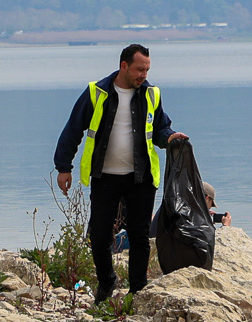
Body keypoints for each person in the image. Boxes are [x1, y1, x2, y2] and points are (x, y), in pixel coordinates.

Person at [52, 42, 188, 303]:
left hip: (141, 178)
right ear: (124, 66)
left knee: (140, 236)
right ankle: (107, 282)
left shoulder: (151, 94)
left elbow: (160, 128)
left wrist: (170, 137)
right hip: (105, 176)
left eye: (147, 70)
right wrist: (63, 167)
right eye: (139, 69)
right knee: (99, 235)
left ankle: (137, 291)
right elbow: (73, 129)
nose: (144, 75)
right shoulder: (97, 92)